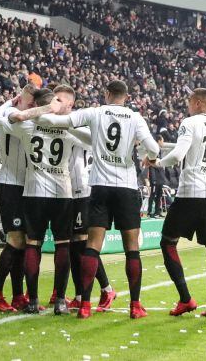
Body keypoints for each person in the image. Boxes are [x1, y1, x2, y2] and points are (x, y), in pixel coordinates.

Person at [37, 80, 161, 319]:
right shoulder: (135, 118)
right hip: (125, 187)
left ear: (106, 94)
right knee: (131, 248)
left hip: (100, 187)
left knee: (91, 246)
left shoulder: (95, 112)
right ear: (126, 96)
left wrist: (35, 113)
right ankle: (135, 306)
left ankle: (84, 305)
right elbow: (153, 147)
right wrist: (150, 158)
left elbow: (58, 121)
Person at [0, 86, 81, 315]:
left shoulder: (26, 124)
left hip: (32, 189)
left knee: (30, 244)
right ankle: (55, 299)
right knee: (34, 242)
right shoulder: (69, 127)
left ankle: (27, 297)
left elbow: (3, 118)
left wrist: (23, 109)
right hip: (49, 190)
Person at [147, 88, 206, 318]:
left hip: (190, 192)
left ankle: (186, 299)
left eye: (190, 102)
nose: (188, 106)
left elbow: (177, 155)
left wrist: (157, 163)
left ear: (199, 103)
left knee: (168, 243)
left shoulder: (190, 122)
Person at [0, 84, 37, 313]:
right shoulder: (17, 120)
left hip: (22, 185)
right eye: (30, 103)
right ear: (20, 102)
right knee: (15, 241)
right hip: (11, 185)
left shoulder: (7, 112)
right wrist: (12, 104)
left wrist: (9, 101)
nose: (33, 108)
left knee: (22, 243)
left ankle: (17, 295)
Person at [67, 120, 116, 312]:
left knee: (84, 243)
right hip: (71, 191)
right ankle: (80, 295)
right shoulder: (84, 131)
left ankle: (106, 288)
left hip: (83, 191)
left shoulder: (80, 133)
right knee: (74, 243)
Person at [146, 134, 167, 217]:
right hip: (155, 179)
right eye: (162, 140)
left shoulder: (160, 151)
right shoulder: (154, 150)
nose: (163, 142)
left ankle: (157, 212)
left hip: (160, 178)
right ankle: (149, 211)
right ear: (158, 141)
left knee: (159, 196)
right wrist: (153, 179)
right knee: (152, 195)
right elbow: (151, 165)